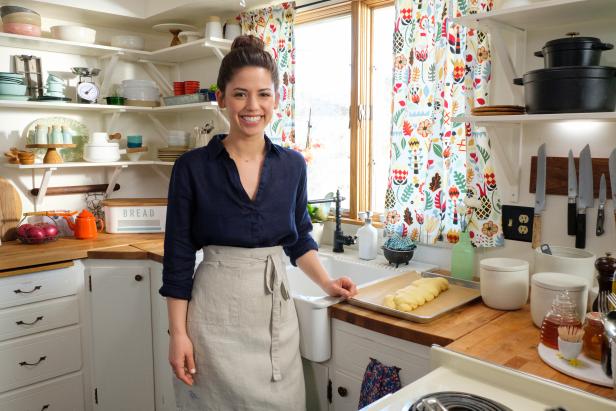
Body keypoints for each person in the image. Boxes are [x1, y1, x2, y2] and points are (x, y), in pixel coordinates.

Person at [160, 35, 358, 411]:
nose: (253, 106)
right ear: (221, 98)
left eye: (263, 94)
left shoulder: (293, 166)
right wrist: (179, 334)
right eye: (240, 94)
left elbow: (299, 238)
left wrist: (328, 282)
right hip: (213, 319)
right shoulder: (192, 169)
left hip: (274, 321)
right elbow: (179, 258)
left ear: (276, 99)